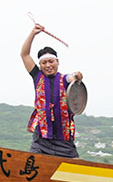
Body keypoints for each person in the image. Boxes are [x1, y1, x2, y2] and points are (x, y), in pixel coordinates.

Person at [20, 23, 83, 158]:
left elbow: (72, 78)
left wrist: (77, 76)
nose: (48, 65)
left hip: (64, 139)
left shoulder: (65, 79)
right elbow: (24, 54)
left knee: (73, 171)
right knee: (33, 168)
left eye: (51, 61)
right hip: (42, 138)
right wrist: (33, 33)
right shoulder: (37, 76)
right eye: (44, 63)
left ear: (57, 62)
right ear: (40, 65)